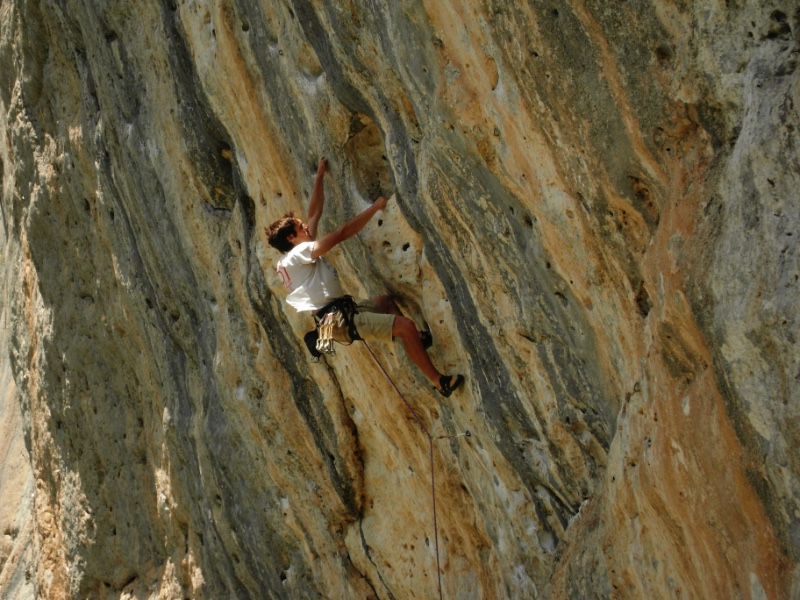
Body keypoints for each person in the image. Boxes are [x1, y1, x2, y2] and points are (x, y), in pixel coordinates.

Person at [266, 157, 464, 397]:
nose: (307, 228)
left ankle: (418, 344)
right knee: (405, 327)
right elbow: (339, 234)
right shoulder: (299, 253)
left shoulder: (289, 260)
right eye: (300, 227)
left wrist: (319, 177)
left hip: (339, 316)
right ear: (290, 238)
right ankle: (439, 381)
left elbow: (314, 213)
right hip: (340, 320)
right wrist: (373, 209)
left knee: (385, 302)